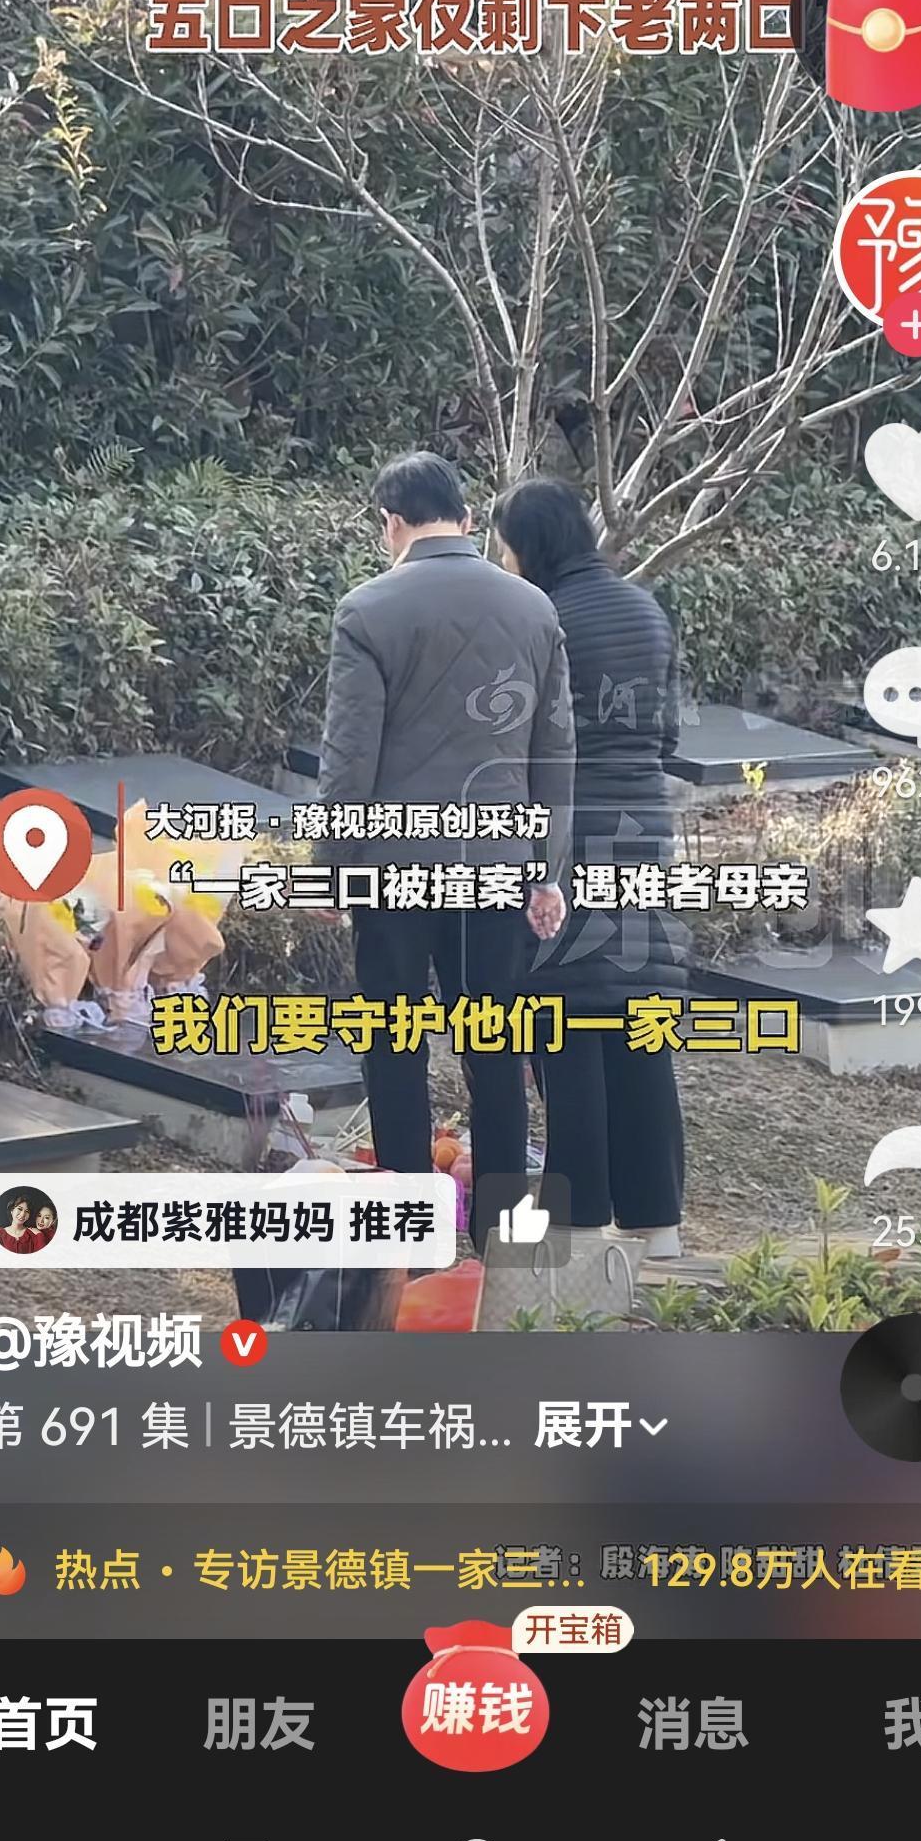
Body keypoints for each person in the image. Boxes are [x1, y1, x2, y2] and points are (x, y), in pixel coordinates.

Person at [318, 452, 574, 1210]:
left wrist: (331, 869)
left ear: (390, 522)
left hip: (394, 867)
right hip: (496, 862)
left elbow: (349, 758)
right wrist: (547, 870)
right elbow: (554, 751)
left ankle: (407, 1226)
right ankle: (500, 1228)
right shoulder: (534, 609)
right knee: (494, 1046)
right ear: (465, 519)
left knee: (393, 1041)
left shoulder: (366, 610)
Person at [493, 477, 687, 1258]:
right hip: (642, 828)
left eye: (506, 546)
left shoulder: (540, 615)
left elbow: (519, 740)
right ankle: (658, 1222)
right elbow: (666, 733)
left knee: (567, 1015)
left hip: (568, 833)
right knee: (638, 1015)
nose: (503, 561)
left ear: (529, 544)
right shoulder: (645, 607)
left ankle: (579, 1217)